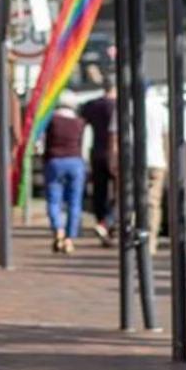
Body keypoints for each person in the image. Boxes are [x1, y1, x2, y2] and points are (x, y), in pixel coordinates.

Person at [42, 104, 88, 254]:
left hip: (55, 161)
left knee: (53, 200)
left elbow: (44, 142)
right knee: (75, 202)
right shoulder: (79, 122)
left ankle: (58, 230)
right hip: (75, 161)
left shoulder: (51, 121)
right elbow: (83, 144)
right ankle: (69, 239)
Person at [78, 84, 117, 244]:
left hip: (97, 152)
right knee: (118, 193)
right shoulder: (118, 106)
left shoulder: (92, 105)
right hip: (114, 153)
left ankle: (101, 221)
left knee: (99, 192)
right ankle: (109, 225)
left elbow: (81, 125)